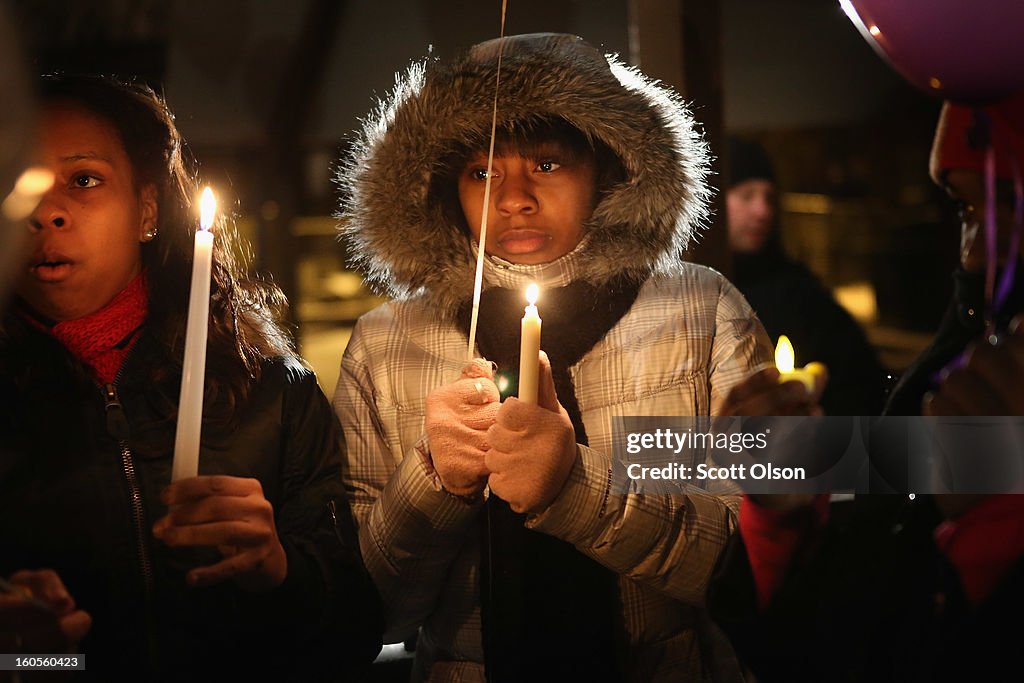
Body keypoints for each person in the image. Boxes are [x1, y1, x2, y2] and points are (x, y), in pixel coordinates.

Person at [331, 32, 808, 682]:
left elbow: (751, 561)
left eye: (547, 164)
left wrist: (574, 487)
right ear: (447, 185)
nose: (514, 197)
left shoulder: (698, 313)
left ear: (606, 165)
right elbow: (362, 617)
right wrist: (433, 483)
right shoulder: (388, 344)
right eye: (482, 171)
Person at [0, 74, 382, 680]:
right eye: (20, 182)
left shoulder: (272, 393)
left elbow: (351, 639)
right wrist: (32, 655)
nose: (46, 212)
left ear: (147, 210)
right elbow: (29, 665)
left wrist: (278, 573)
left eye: (84, 180)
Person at [707, 96, 1024, 681]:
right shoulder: (958, 368)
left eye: (1007, 205)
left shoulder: (802, 297)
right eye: (963, 208)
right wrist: (781, 522)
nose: (976, 250)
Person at [725, 137, 886, 415]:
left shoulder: (799, 291)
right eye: (747, 195)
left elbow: (862, 379)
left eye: (769, 198)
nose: (762, 211)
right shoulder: (688, 290)